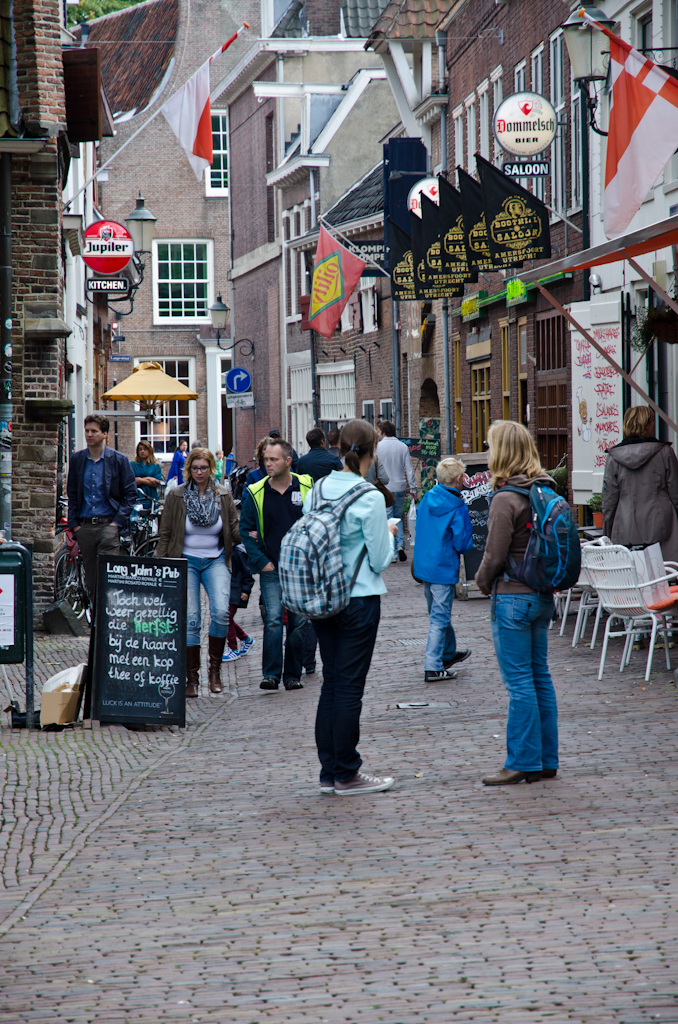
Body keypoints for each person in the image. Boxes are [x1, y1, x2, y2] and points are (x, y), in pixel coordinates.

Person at [305, 418, 398, 796]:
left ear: (340, 447)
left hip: (323, 597)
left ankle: (329, 771)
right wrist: (389, 534)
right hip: (358, 599)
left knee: (331, 683)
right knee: (349, 689)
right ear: (372, 452)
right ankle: (347, 772)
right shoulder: (370, 497)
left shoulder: (319, 488)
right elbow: (379, 561)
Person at [475, 420, 559, 786]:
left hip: (512, 598)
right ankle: (546, 759)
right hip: (541, 597)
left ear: (503, 453)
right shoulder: (544, 491)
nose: (487, 452)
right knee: (540, 676)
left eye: (491, 447)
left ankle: (521, 761)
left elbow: (493, 557)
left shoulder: (505, 498)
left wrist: (480, 582)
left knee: (519, 683)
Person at [155, 447, 240, 697]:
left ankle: (215, 672)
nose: (199, 472)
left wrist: (250, 534)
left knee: (221, 613)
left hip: (215, 560)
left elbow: (234, 529)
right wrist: (161, 564)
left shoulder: (223, 494)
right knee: (191, 618)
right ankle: (192, 678)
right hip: (186, 561)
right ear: (188, 469)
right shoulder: (177, 496)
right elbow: (166, 533)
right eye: (195, 468)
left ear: (211, 468)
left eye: (204, 468)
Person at [241, 438, 313, 691]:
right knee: (272, 620)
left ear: (288, 461)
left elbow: (317, 523)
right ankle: (270, 674)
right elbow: (245, 530)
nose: (268, 464)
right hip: (271, 567)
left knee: (298, 623)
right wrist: (262, 562)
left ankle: (292, 675)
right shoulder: (256, 491)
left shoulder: (306, 486)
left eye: (273, 459)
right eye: (266, 459)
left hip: (300, 569)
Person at [413, 457, 474, 682]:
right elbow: (463, 544)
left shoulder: (427, 497)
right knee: (439, 618)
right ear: (458, 479)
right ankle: (432, 666)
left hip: (425, 565)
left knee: (438, 613)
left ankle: (447, 654)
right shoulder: (457, 507)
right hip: (443, 567)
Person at [66, 414, 138, 600]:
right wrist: (75, 525)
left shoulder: (119, 460)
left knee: (107, 578)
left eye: (94, 431)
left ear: (105, 434)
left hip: (108, 525)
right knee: (91, 581)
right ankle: (96, 625)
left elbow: (130, 495)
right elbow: (72, 494)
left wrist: (116, 524)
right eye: (87, 431)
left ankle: (107, 625)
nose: (89, 434)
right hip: (85, 526)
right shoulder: (77, 460)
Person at [603, 406, 678, 559]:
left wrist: (607, 533)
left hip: (625, 527)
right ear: (648, 424)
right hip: (663, 527)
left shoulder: (614, 457)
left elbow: (609, 501)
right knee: (664, 575)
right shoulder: (665, 453)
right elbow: (675, 493)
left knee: (632, 576)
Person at [376, 420, 417, 561]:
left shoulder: (378, 447)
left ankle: (393, 552)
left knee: (388, 517)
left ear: (384, 432)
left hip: (384, 487)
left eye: (379, 432)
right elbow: (409, 470)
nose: (378, 435)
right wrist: (413, 488)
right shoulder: (402, 446)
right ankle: (400, 544)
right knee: (398, 516)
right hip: (400, 486)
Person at [222, 543, 255, 663]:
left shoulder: (238, 552)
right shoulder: (223, 551)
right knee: (226, 617)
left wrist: (246, 590)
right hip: (227, 589)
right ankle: (246, 639)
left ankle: (233, 648)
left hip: (236, 590)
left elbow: (248, 572)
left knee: (226, 617)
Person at [130, 441, 163, 506]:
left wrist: (140, 480)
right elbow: (131, 482)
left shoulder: (156, 465)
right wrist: (148, 478)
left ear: (149, 450)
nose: (142, 451)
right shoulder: (132, 465)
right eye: (140, 449)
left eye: (145, 449)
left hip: (151, 496)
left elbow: (156, 483)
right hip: (137, 497)